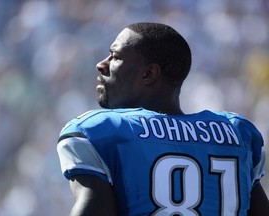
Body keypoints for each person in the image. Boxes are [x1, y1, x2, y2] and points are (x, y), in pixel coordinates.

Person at [57, 22, 269, 215]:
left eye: (115, 56)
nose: (102, 64)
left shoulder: (100, 132)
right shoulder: (236, 133)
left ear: (148, 74)